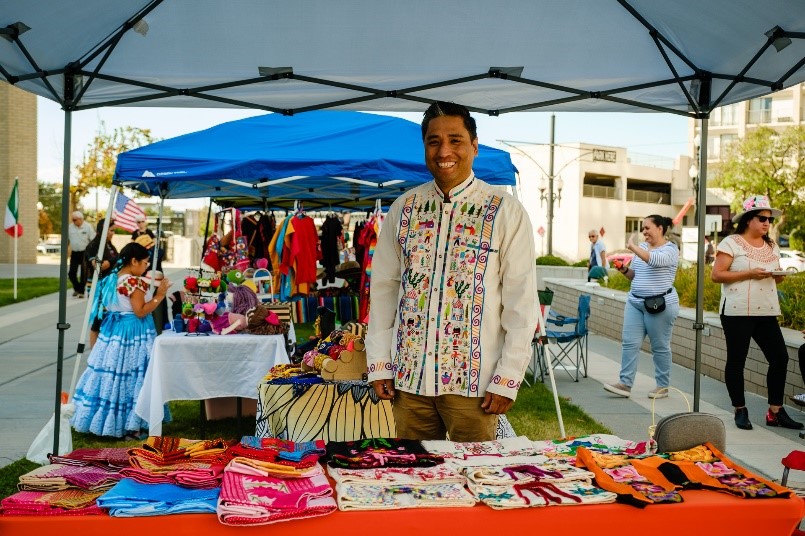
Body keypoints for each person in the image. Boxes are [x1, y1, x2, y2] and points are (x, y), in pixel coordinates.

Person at [365, 101, 538, 442]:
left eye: (455, 140)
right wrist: (380, 361)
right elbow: (384, 290)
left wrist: (508, 376)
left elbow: (521, 303)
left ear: (474, 146)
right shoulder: (404, 209)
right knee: (412, 470)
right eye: (434, 141)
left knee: (477, 472)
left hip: (475, 387)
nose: (444, 151)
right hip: (409, 381)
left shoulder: (505, 211)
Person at [711, 194, 802, 431]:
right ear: (748, 219)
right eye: (762, 218)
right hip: (737, 311)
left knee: (780, 358)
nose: (767, 223)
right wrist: (750, 273)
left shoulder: (771, 246)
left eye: (770, 220)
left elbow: (776, 277)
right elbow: (716, 275)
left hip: (766, 310)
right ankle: (740, 409)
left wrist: (779, 276)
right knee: (737, 361)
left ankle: (775, 411)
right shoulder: (731, 243)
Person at [71, 242, 171, 439]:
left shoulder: (111, 279)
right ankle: (132, 425)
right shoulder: (133, 282)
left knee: (112, 373)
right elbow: (140, 311)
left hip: (113, 332)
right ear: (134, 261)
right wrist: (159, 296)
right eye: (144, 263)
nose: (146, 267)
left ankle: (105, 419)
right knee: (134, 374)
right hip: (133, 331)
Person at [604, 215, 679, 400]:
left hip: (659, 305)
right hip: (635, 303)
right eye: (642, 228)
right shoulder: (643, 248)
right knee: (629, 343)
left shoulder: (670, 249)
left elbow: (653, 261)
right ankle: (625, 384)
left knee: (659, 347)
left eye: (647, 228)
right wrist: (623, 269)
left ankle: (662, 386)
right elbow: (634, 275)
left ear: (660, 228)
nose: (644, 231)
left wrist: (632, 247)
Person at [85, 218, 120, 348]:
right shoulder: (94, 246)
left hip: (109, 285)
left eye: (114, 230)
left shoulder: (109, 245)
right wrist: (115, 259)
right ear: (103, 230)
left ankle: (103, 350)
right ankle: (94, 352)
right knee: (98, 319)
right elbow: (98, 266)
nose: (113, 233)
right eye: (111, 230)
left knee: (108, 318)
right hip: (98, 285)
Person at [67, 210, 95, 298]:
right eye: (73, 220)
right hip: (75, 252)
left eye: (75, 220)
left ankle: (81, 292)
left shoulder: (88, 227)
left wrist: (91, 252)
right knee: (71, 273)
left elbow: (93, 240)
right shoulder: (70, 227)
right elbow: (67, 240)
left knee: (84, 273)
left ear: (81, 219)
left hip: (84, 253)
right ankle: (77, 288)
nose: (73, 221)